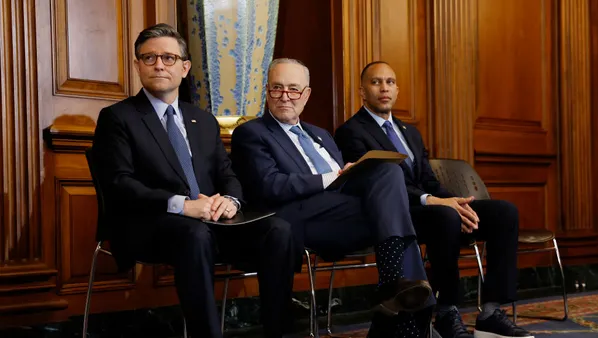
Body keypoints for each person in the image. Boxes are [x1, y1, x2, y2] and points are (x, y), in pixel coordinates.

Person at [92, 23, 296, 338]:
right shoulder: (118, 117)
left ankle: (278, 332)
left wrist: (230, 201)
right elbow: (120, 184)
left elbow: (227, 174)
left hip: (208, 222)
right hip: (147, 223)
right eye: (149, 58)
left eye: (169, 58)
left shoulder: (202, 120)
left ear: (185, 67)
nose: (159, 64)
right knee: (194, 234)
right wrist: (182, 206)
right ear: (137, 65)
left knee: (278, 230)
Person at [230, 58, 435, 337]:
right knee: (398, 214)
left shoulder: (321, 135)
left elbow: (345, 187)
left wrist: (352, 175)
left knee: (387, 171)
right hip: (296, 216)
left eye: (293, 89)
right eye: (277, 89)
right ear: (266, 91)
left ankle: (392, 288)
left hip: (343, 212)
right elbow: (270, 186)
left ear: (307, 95)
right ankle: (404, 310)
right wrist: (335, 176)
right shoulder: (251, 132)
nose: (285, 97)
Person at [334, 61, 534, 338]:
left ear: (397, 90)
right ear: (362, 91)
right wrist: (437, 203)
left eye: (390, 82)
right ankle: (445, 311)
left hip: (431, 207)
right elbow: (378, 185)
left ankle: (491, 311)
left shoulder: (409, 133)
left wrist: (457, 202)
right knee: (446, 216)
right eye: (376, 82)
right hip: (395, 215)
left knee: (504, 213)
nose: (384, 88)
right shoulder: (351, 132)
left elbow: (428, 180)